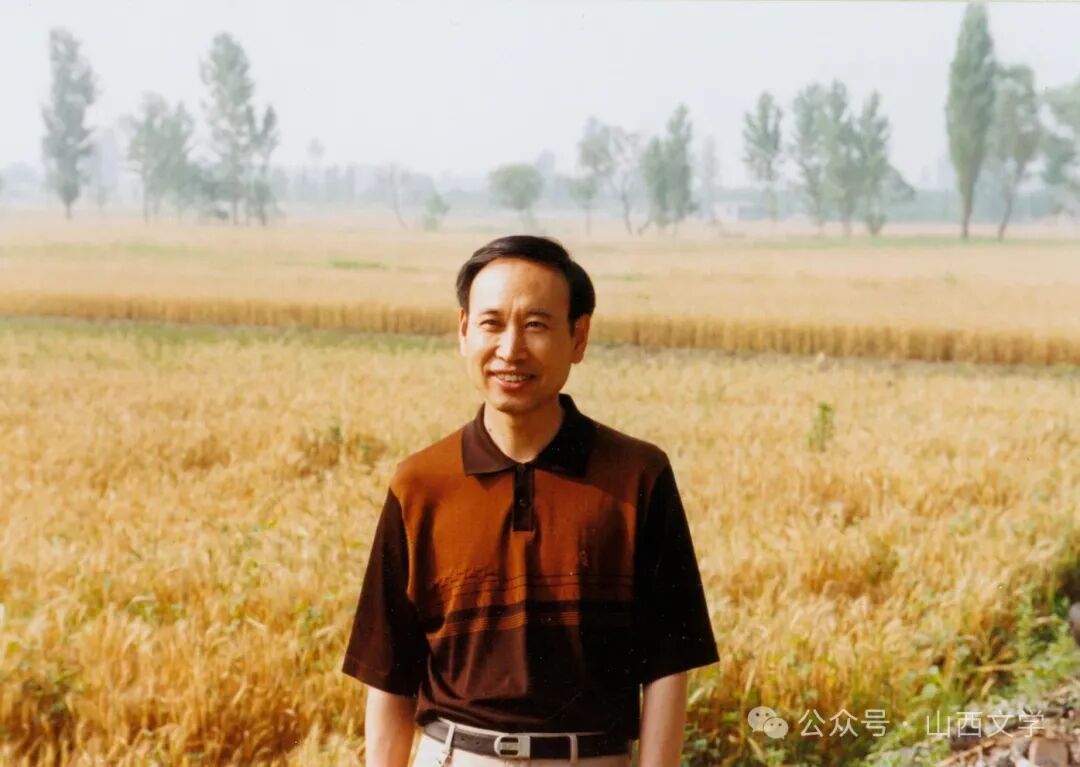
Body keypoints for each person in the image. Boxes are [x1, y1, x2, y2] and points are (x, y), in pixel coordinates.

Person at [342, 235, 718, 767]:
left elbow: (667, 665)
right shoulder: (420, 484)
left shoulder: (638, 476)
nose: (511, 349)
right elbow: (388, 673)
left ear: (579, 337)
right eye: (492, 323)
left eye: (536, 325)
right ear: (464, 331)